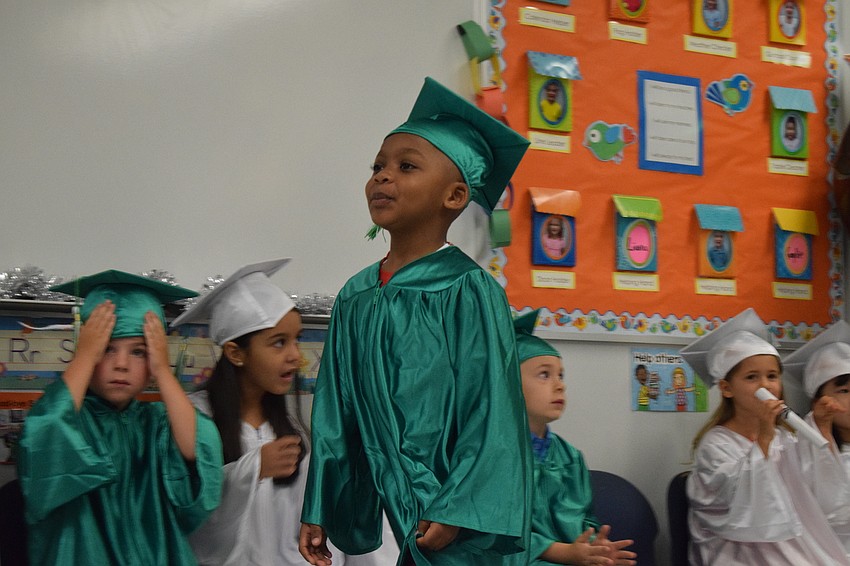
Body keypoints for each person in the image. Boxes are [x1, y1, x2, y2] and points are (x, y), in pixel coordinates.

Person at [299, 76, 532, 566]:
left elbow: (491, 410)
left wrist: (460, 506)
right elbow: (334, 413)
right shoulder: (356, 295)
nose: (383, 177)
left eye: (406, 167)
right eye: (378, 166)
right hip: (377, 507)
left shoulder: (470, 291)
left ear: (453, 196)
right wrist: (320, 504)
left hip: (446, 519)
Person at [171, 259, 397, 565]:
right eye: (278, 343)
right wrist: (253, 469)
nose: (295, 356)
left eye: (297, 340)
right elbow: (184, 512)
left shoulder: (290, 427)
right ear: (236, 353)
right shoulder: (196, 419)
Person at [17, 270, 224, 565]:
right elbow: (45, 432)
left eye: (138, 352)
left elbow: (199, 448)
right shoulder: (74, 418)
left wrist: (163, 372)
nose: (122, 365)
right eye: (107, 349)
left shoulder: (155, 421)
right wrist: (85, 357)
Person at [681, 308, 850, 565]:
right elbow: (739, 506)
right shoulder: (716, 444)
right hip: (739, 550)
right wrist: (763, 439)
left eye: (772, 376)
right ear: (727, 388)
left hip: (792, 543)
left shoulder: (787, 437)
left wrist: (821, 426)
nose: (766, 385)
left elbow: (817, 496)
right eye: (752, 377)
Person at [508, 310, 636, 566]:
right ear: (507, 383)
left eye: (561, 375)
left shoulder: (570, 457)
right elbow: (492, 535)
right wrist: (564, 553)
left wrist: (594, 545)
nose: (559, 385)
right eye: (544, 374)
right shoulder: (493, 458)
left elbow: (585, 518)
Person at [783, 320, 850, 553]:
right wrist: (821, 428)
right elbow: (832, 511)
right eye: (844, 391)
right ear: (818, 402)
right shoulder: (800, 453)